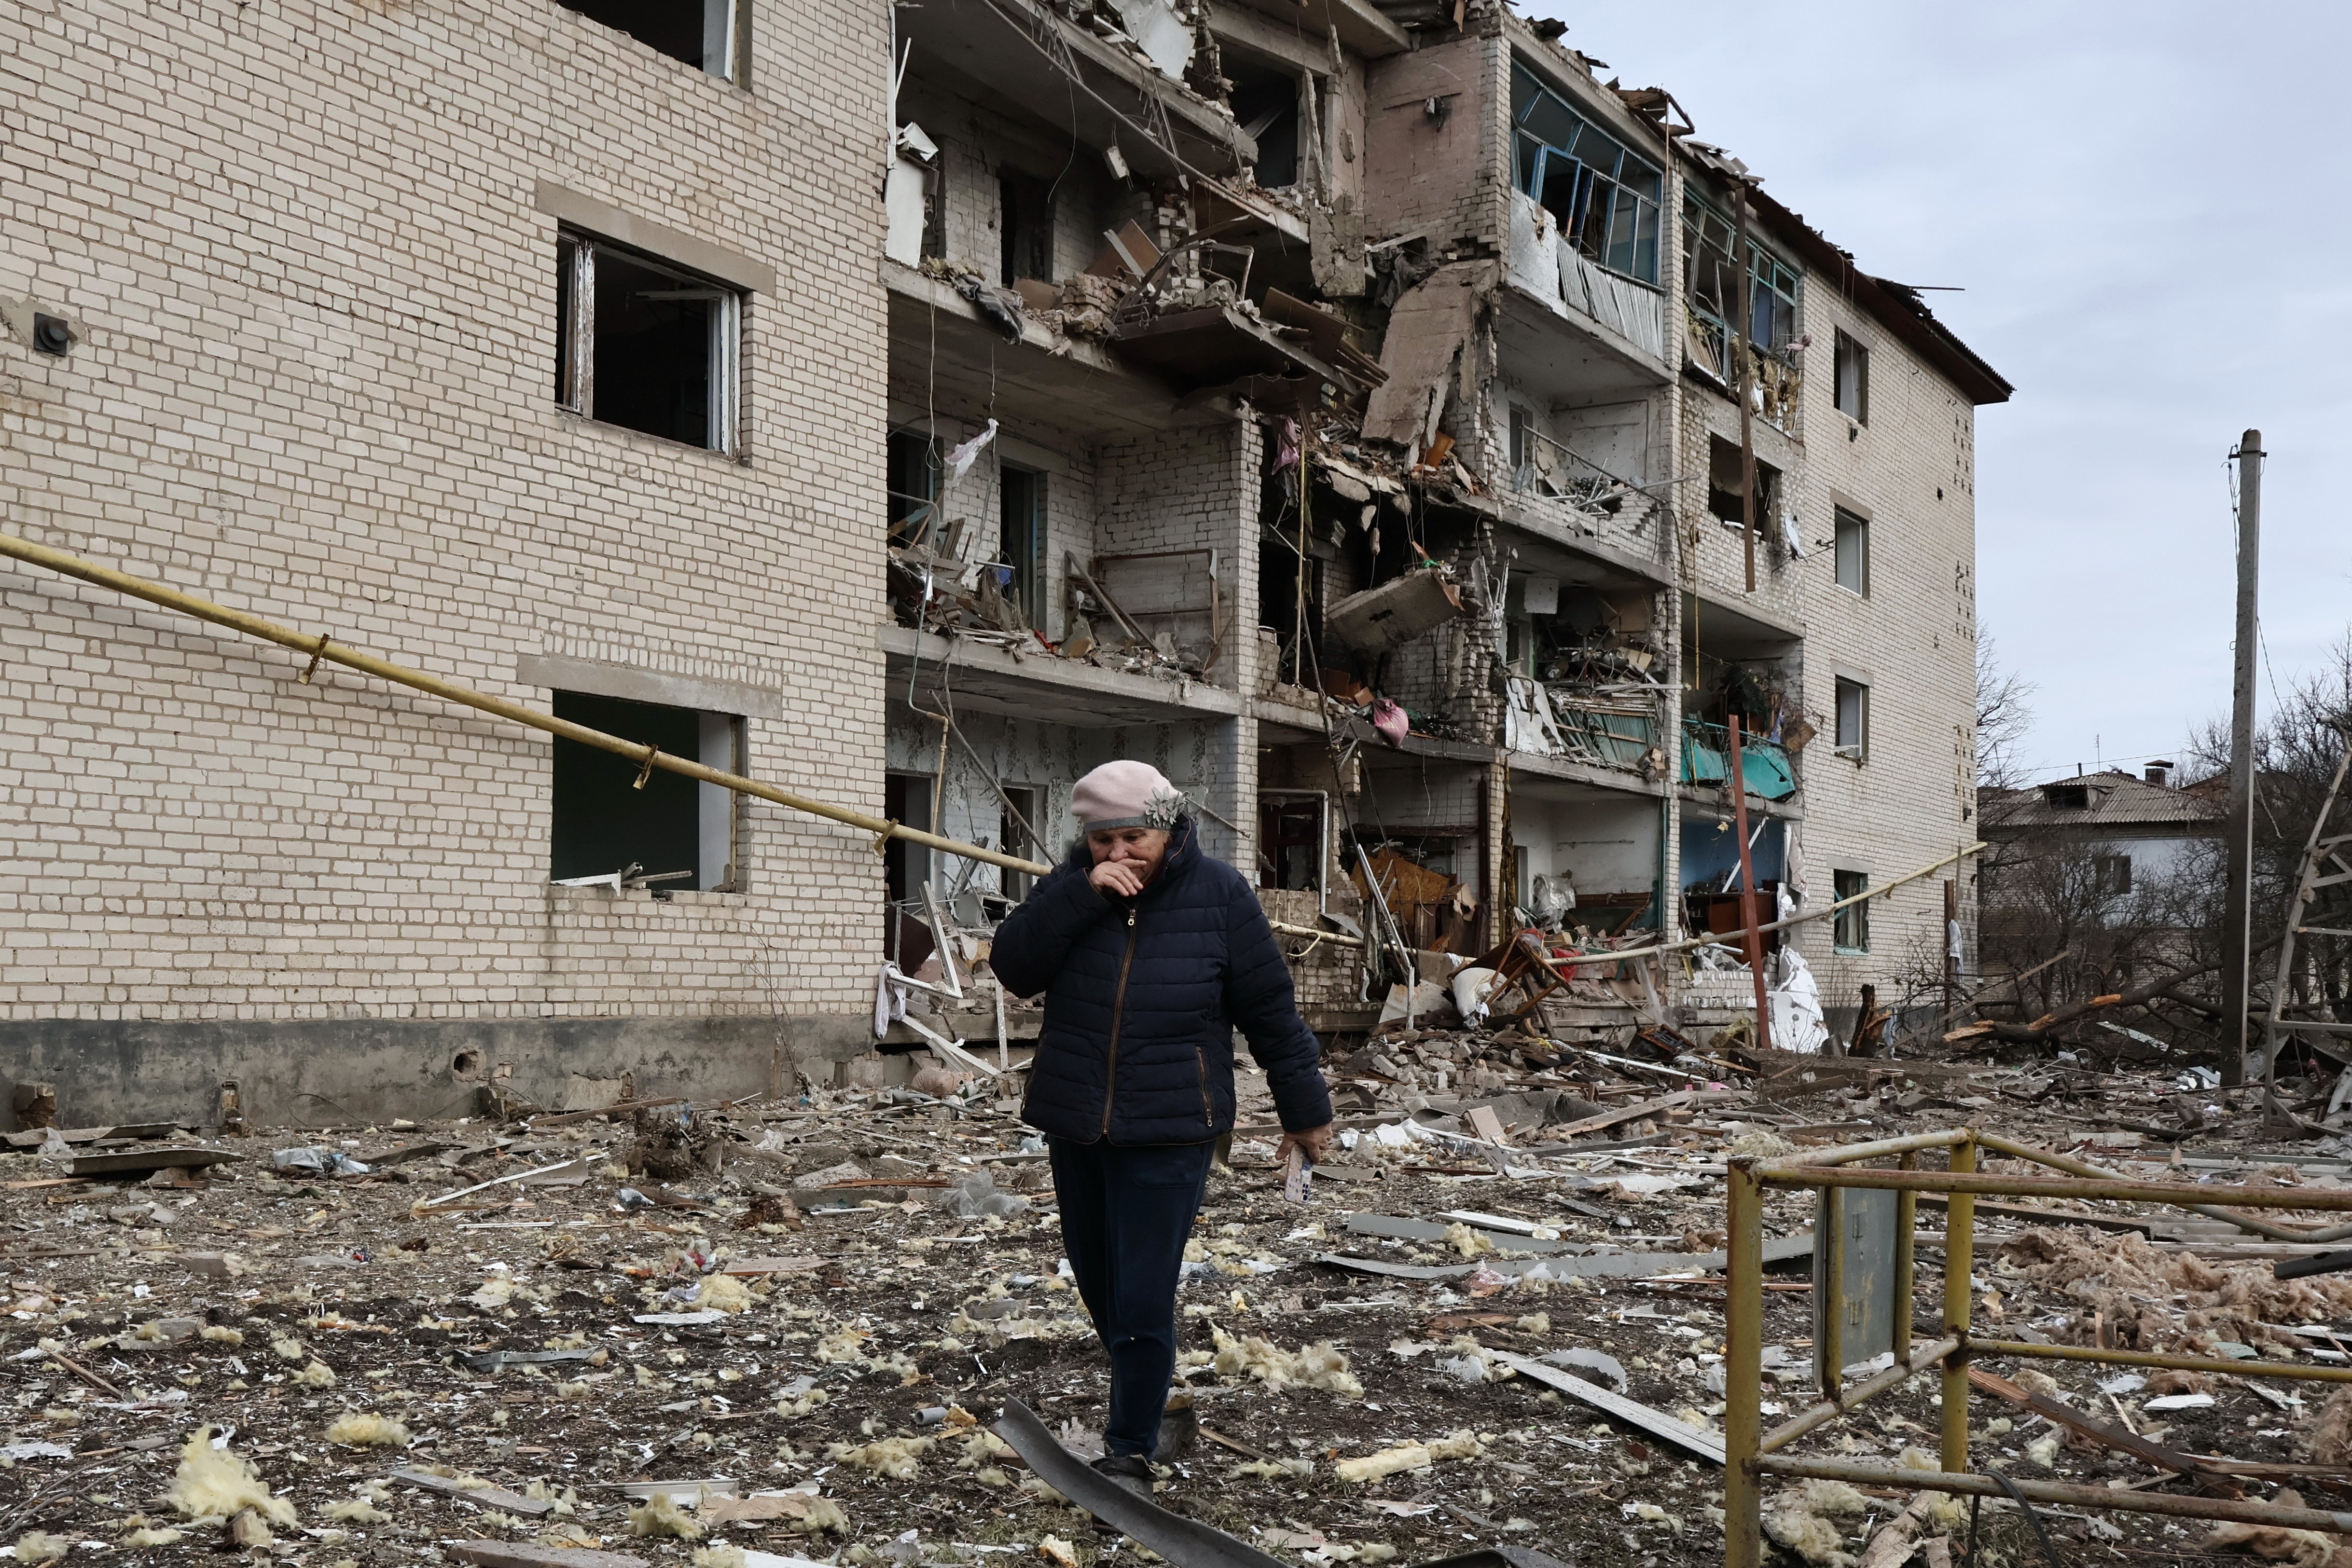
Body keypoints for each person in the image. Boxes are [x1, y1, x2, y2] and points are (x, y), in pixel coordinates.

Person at [990, 760, 1334, 1492]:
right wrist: (1081, 897)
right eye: (1103, 840)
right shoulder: (1071, 886)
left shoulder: (1219, 896)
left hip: (1174, 1125)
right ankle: (1154, 1404)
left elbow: (1270, 1012)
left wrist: (1304, 1111)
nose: (1118, 853)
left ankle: (1128, 1451)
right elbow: (1015, 966)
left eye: (1133, 837)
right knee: (1100, 1285)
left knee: (1144, 1294)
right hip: (1077, 1120)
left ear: (1170, 828)